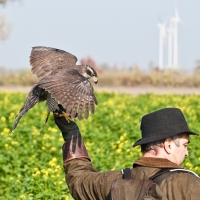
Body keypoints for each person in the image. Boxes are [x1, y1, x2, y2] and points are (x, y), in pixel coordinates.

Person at [54, 107, 200, 200]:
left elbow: (79, 180)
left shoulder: (113, 181)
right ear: (168, 145)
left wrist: (71, 133)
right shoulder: (190, 185)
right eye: (185, 145)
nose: (186, 153)